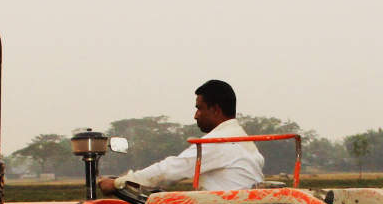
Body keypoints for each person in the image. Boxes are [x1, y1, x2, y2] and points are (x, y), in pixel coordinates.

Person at [98, 80, 264, 194]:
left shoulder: (218, 142)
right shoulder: (245, 143)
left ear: (215, 109)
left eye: (199, 109)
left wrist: (119, 183)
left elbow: (168, 171)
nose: (195, 115)